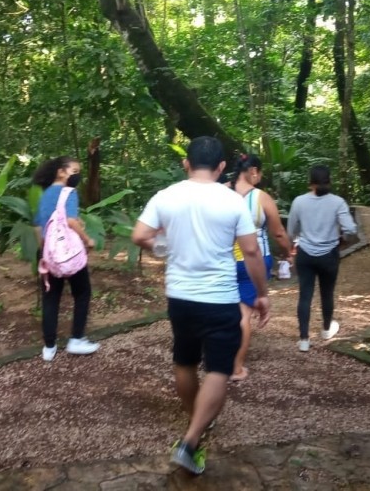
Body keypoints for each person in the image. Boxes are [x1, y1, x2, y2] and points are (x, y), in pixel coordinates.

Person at [131, 136, 270, 475]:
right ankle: (190, 441)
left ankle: (196, 421)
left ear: (186, 163)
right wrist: (262, 294)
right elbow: (251, 251)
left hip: (179, 296)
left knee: (185, 360)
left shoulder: (166, 196)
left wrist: (163, 247)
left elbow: (139, 235)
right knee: (219, 369)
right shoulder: (232, 200)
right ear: (222, 167)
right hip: (219, 298)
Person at [229, 153, 294, 381]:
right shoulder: (261, 197)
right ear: (253, 171)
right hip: (253, 258)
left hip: (221, 258)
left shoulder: (220, 191)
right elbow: (278, 232)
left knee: (223, 306)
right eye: (260, 173)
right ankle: (236, 367)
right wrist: (289, 252)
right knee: (243, 313)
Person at [33, 156, 99, 362]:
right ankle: (77, 339)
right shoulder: (68, 192)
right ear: (61, 172)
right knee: (82, 292)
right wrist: (87, 239)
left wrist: (45, 250)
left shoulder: (44, 196)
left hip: (49, 253)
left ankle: (49, 347)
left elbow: (37, 227)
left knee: (51, 297)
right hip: (68, 253)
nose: (77, 175)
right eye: (75, 171)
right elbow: (70, 221)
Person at [287, 165, 357, 352]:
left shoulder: (299, 202)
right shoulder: (338, 202)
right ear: (329, 181)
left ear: (310, 182)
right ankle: (326, 330)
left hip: (305, 254)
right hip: (329, 255)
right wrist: (343, 239)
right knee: (327, 293)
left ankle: (303, 339)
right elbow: (350, 229)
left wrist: (294, 243)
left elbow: (290, 230)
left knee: (305, 295)